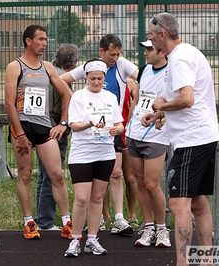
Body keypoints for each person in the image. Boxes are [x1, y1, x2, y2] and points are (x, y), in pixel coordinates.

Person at [142, 13, 219, 265]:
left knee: (177, 204)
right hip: (203, 136)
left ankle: (183, 262)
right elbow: (183, 99)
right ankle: (207, 259)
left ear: (162, 34)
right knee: (197, 201)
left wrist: (163, 105)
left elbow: (186, 99)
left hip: (192, 140)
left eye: (151, 36)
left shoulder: (180, 58)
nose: (150, 40)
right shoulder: (187, 53)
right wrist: (158, 113)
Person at [61, 34, 138, 235]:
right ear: (101, 51)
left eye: (117, 54)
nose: (115, 57)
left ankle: (119, 218)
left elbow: (140, 75)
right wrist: (73, 97)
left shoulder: (121, 65)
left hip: (112, 128)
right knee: (93, 182)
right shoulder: (89, 68)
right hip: (88, 134)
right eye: (111, 54)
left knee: (115, 172)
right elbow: (61, 80)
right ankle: (103, 217)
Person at [4, 25, 72, 240]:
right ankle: (29, 222)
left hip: (43, 127)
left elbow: (66, 94)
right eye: (40, 39)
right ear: (28, 41)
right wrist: (20, 134)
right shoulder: (15, 67)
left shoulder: (48, 67)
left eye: (45, 39)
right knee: (25, 174)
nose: (44, 43)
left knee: (57, 175)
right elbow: (8, 103)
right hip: (21, 127)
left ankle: (67, 222)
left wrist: (62, 122)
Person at [64, 59, 124, 257]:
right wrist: (89, 123)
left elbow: (120, 123)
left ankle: (92, 238)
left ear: (104, 78)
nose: (96, 82)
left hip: (105, 152)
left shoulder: (110, 97)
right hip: (82, 153)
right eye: (92, 79)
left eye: (99, 79)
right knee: (81, 198)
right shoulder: (78, 97)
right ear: (86, 78)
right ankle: (75, 239)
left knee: (97, 197)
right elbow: (73, 125)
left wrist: (117, 129)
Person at [125, 39, 171, 247]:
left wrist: (160, 115)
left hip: (156, 136)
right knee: (140, 182)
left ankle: (162, 229)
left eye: (150, 49)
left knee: (152, 184)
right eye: (145, 49)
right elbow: (137, 98)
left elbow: (175, 103)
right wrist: (129, 123)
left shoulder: (172, 73)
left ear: (162, 52)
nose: (145, 52)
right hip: (135, 132)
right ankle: (149, 226)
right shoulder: (143, 71)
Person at [35, 43, 78, 231]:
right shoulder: (63, 79)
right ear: (74, 62)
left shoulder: (49, 73)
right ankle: (45, 220)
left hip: (41, 128)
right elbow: (67, 105)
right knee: (52, 177)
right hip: (56, 130)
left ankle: (40, 217)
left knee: (43, 175)